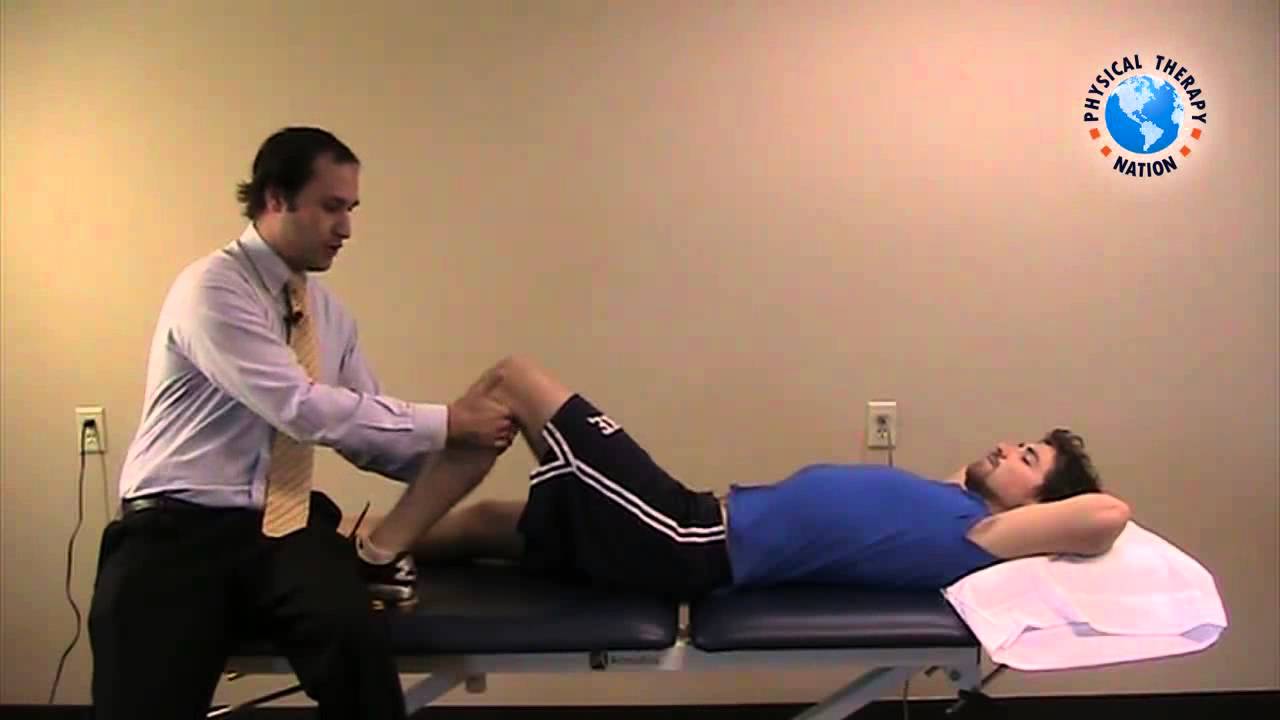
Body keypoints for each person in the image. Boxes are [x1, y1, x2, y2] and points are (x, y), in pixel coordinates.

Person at [87, 127, 517, 720]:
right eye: (332, 207)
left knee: (359, 655)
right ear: (275, 198)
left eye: (352, 209)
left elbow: (371, 437)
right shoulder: (213, 289)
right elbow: (302, 408)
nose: (347, 228)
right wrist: (450, 422)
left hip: (282, 531)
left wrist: (466, 456)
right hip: (174, 530)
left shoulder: (330, 317)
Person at [360, 355, 1133, 600]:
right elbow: (972, 471)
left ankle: (378, 544)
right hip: (694, 523)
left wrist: (1056, 503)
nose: (1007, 448)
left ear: (1042, 507)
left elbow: (1107, 514)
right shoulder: (952, 501)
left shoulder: (983, 535)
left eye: (1028, 459)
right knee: (491, 524)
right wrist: (1000, 466)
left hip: (686, 537)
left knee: (514, 381)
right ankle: (359, 541)